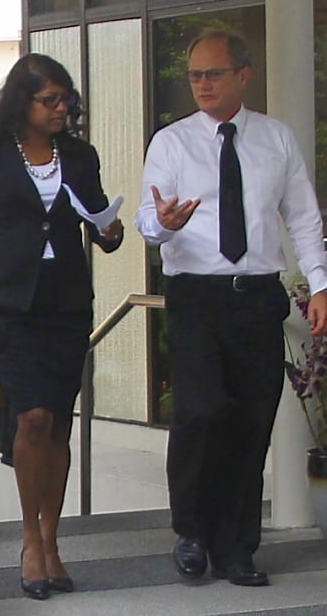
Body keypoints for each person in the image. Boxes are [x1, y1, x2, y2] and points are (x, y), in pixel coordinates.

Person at [135, 29, 327, 588]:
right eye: (194, 75)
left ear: (244, 74)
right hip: (196, 295)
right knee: (199, 411)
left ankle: (237, 546)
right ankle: (191, 531)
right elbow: (150, 218)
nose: (201, 84)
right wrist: (161, 226)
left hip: (256, 294)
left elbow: (305, 219)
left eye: (213, 74)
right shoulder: (171, 142)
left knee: (250, 419)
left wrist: (318, 284)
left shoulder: (276, 139)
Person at [0, 53, 123, 600]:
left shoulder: (78, 155)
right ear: (21, 102)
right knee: (30, 418)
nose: (59, 109)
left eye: (65, 100)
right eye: (48, 100)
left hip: (67, 304)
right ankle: (31, 539)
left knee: (58, 424)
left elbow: (101, 222)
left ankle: (53, 540)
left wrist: (112, 229)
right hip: (12, 305)